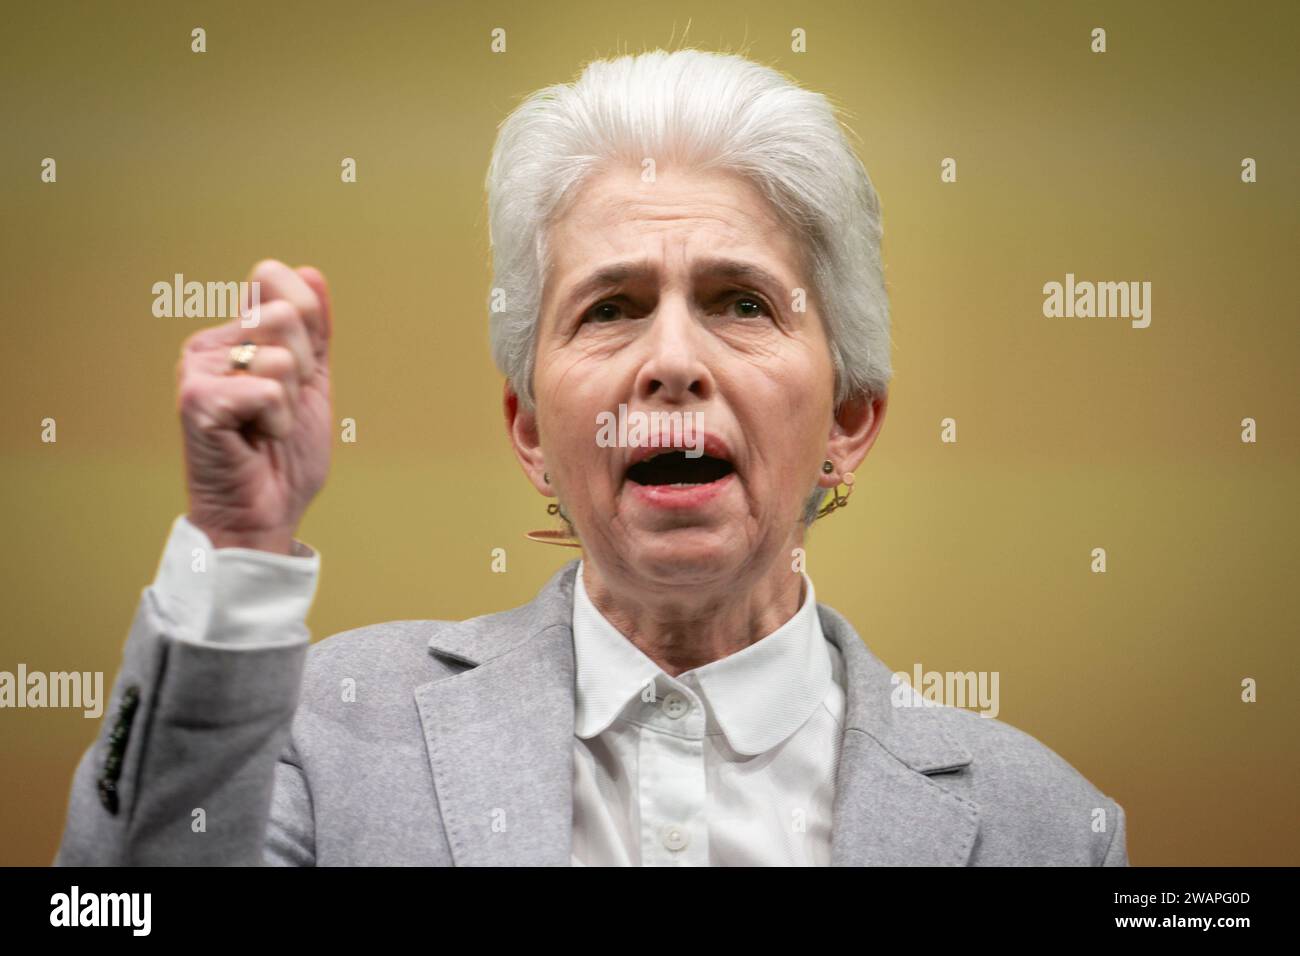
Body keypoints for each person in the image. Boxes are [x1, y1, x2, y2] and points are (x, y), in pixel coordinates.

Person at [55, 48, 1127, 866]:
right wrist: (238, 550)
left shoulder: (1043, 823)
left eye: (740, 302)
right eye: (610, 308)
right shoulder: (317, 731)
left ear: (848, 420)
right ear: (530, 431)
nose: (671, 360)